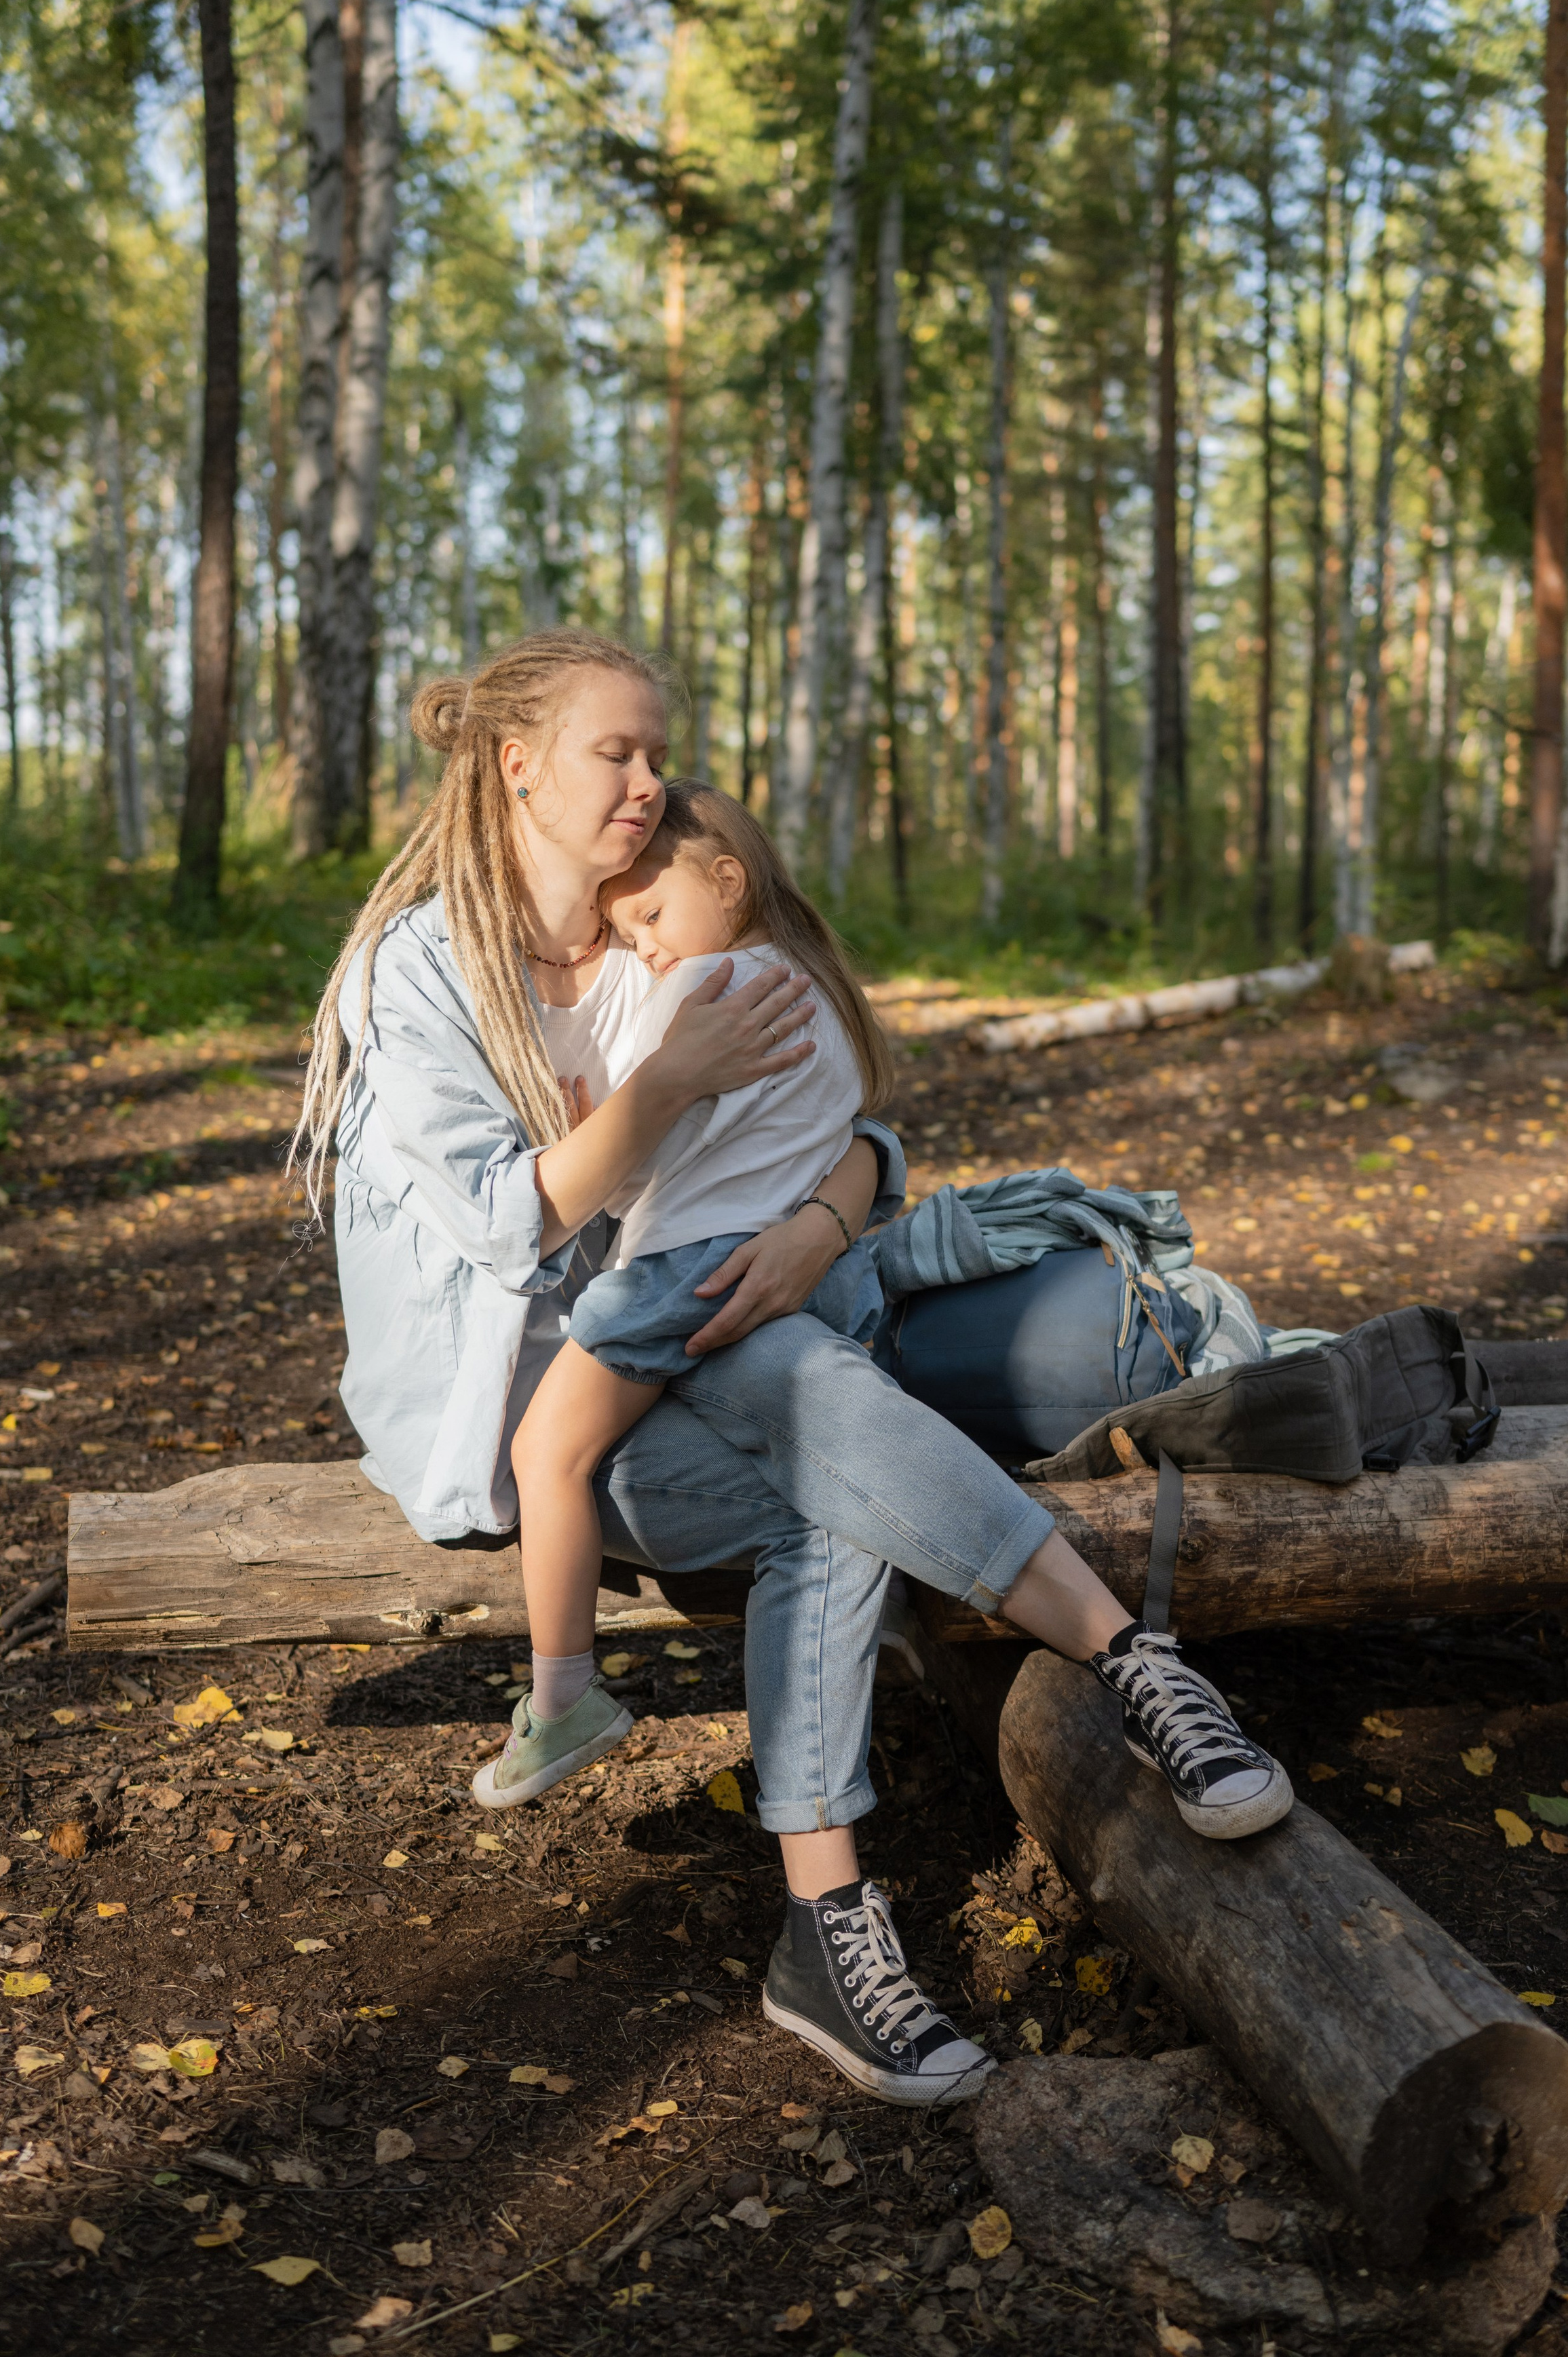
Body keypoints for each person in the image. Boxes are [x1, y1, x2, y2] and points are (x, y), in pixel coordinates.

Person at [292, 631, 1290, 2111]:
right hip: (517, 1401)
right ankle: (1064, 1712)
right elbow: (513, 1219)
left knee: (799, 1387)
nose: (649, 782)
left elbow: (834, 1120)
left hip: (703, 1338)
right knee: (813, 1445)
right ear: (517, 764)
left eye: (655, 751)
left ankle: (846, 1917)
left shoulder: (662, 931)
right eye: (612, 754)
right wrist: (672, 1089)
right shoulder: (425, 970)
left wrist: (823, 1215)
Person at [474, 778, 897, 1812]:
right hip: (790, 1271)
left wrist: (590, 1122)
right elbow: (837, 1136)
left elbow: (628, 1178)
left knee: (545, 1452)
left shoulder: (703, 990)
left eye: (653, 917)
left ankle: (562, 1696)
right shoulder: (819, 982)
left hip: (676, 1273)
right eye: (627, 931)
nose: (648, 947)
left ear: (727, 878)